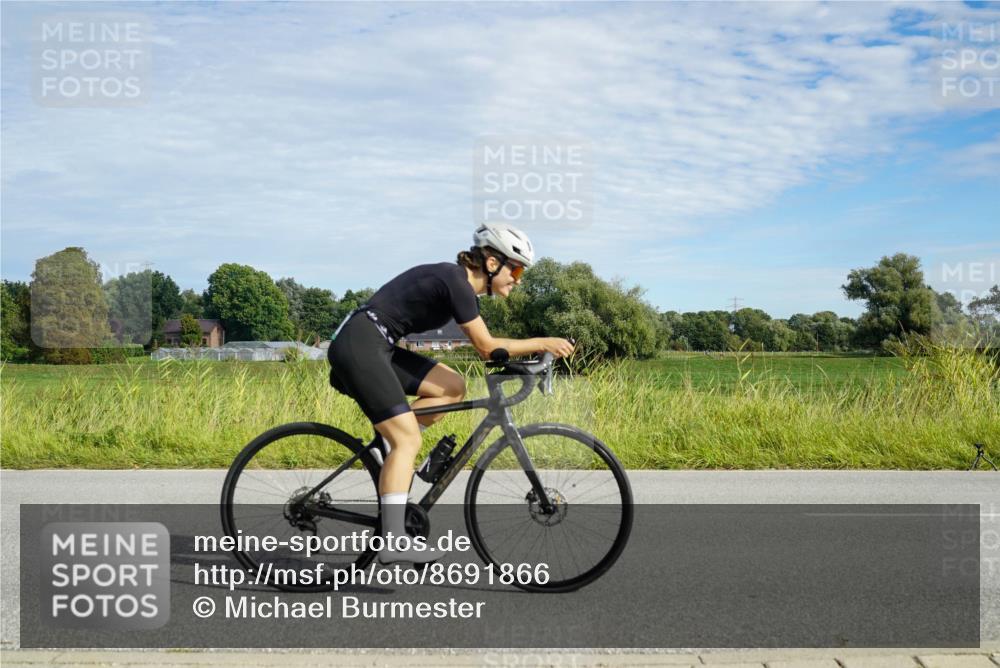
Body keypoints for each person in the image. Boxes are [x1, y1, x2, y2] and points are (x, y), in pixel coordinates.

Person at [326, 223, 575, 564]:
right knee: (408, 440)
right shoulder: (456, 282)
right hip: (360, 345)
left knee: (452, 387)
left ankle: (390, 448)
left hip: (375, 344)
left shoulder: (460, 289)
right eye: (515, 269)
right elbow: (488, 348)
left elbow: (490, 349)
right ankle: (394, 540)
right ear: (491, 264)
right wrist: (543, 343)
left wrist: (531, 358)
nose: (518, 279)